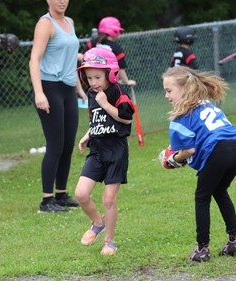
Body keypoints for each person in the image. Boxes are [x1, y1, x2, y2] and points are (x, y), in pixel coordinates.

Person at [161, 66, 236, 262]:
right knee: (219, 190)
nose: (166, 96)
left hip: (219, 151)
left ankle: (202, 248)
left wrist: (173, 159)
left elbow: (188, 151)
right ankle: (235, 240)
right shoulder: (206, 104)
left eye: (169, 90)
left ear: (184, 88)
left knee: (202, 197)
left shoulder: (179, 117)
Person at [75, 47, 134, 255]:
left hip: (116, 151)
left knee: (109, 199)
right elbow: (97, 120)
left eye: (98, 77)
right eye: (89, 78)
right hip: (97, 149)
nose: (93, 82)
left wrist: (106, 103)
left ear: (111, 73)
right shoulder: (93, 93)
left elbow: (126, 118)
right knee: (81, 194)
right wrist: (87, 135)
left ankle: (109, 241)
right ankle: (97, 223)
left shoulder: (118, 92)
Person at [29, 0, 87, 213]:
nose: (62, 1)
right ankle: (46, 201)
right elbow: (34, 59)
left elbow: (70, 59)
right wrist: (39, 92)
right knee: (55, 143)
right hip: (49, 87)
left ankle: (61, 195)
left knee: (68, 143)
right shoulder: (45, 24)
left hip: (68, 88)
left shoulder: (69, 22)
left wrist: (78, 88)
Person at [80, 16, 136, 87]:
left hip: (93, 82)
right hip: (108, 83)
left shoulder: (93, 42)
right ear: (115, 31)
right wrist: (127, 81)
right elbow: (121, 68)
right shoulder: (116, 48)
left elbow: (82, 56)